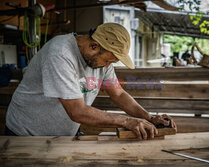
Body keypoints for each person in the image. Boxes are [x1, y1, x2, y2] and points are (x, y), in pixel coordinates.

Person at [6, 23, 176, 139]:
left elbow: (118, 94)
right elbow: (77, 111)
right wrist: (126, 121)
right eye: (108, 60)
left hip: (61, 137)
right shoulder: (60, 55)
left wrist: (149, 117)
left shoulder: (102, 60)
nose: (108, 66)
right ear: (93, 46)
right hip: (26, 134)